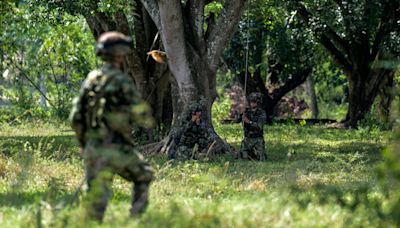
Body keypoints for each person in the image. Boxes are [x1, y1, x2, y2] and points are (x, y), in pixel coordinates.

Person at [69, 31, 154, 221]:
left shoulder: (91, 79)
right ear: (120, 55)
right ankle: (135, 220)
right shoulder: (122, 81)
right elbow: (141, 115)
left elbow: (75, 117)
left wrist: (84, 144)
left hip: (93, 148)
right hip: (117, 148)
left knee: (96, 199)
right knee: (144, 176)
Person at [238, 92, 267, 161]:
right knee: (243, 158)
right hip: (247, 139)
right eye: (251, 101)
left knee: (260, 159)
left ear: (258, 102)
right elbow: (237, 120)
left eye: (254, 101)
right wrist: (241, 114)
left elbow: (259, 126)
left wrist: (249, 122)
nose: (252, 103)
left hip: (257, 139)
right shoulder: (246, 111)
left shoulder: (261, 113)